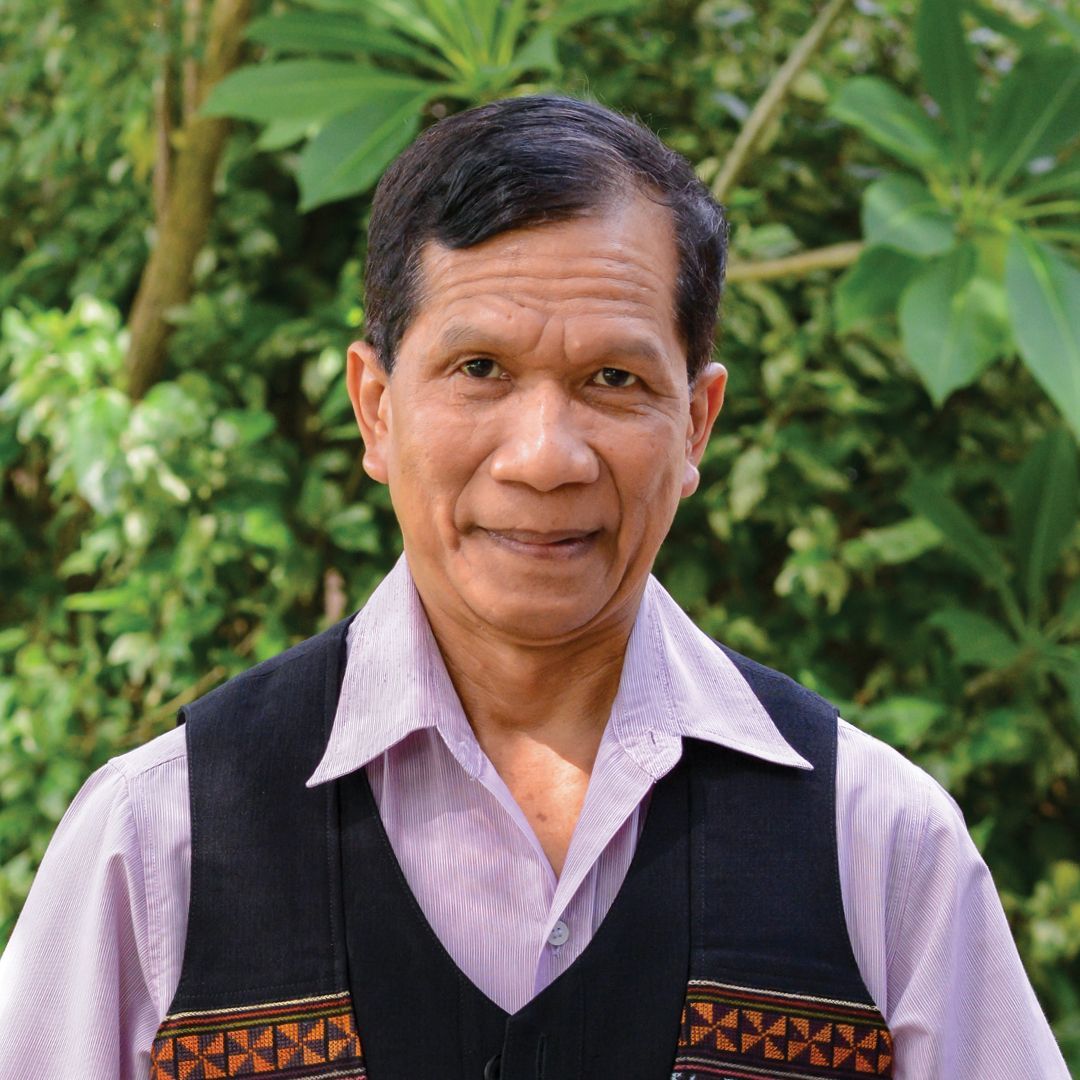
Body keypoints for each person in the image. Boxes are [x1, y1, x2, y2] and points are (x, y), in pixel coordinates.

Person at [0, 95, 1068, 1080]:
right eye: (480, 372)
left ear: (695, 423)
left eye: (615, 380)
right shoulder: (159, 845)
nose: (545, 455)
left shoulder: (877, 850)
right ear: (376, 408)